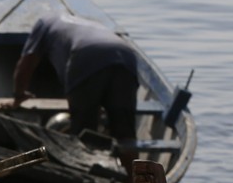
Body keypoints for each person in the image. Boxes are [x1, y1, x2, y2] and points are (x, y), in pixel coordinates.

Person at [10, 11, 141, 168]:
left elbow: (26, 64)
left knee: (84, 133)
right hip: (126, 54)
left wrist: (18, 95)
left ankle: (88, 179)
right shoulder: (91, 24)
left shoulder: (44, 23)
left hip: (86, 55)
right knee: (125, 135)